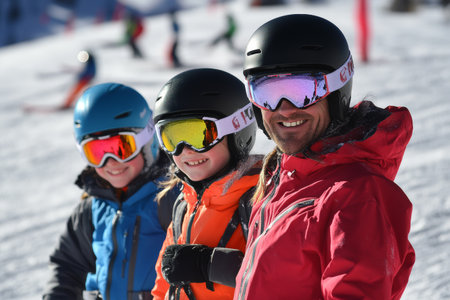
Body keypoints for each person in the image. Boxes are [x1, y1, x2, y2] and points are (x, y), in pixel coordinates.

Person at [233, 14, 416, 299]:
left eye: (302, 90)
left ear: (336, 92)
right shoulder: (282, 181)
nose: (284, 109)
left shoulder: (357, 196)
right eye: (267, 91)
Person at [42, 83, 180, 300]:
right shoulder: (91, 206)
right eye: (96, 152)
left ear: (147, 140)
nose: (111, 163)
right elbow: (68, 266)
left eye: (121, 148)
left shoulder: (174, 197)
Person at [151, 68, 262, 300]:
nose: (185, 150)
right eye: (172, 138)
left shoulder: (260, 198)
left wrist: (209, 264)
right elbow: (163, 283)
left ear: (236, 131)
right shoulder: (184, 203)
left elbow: (281, 278)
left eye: (200, 135)